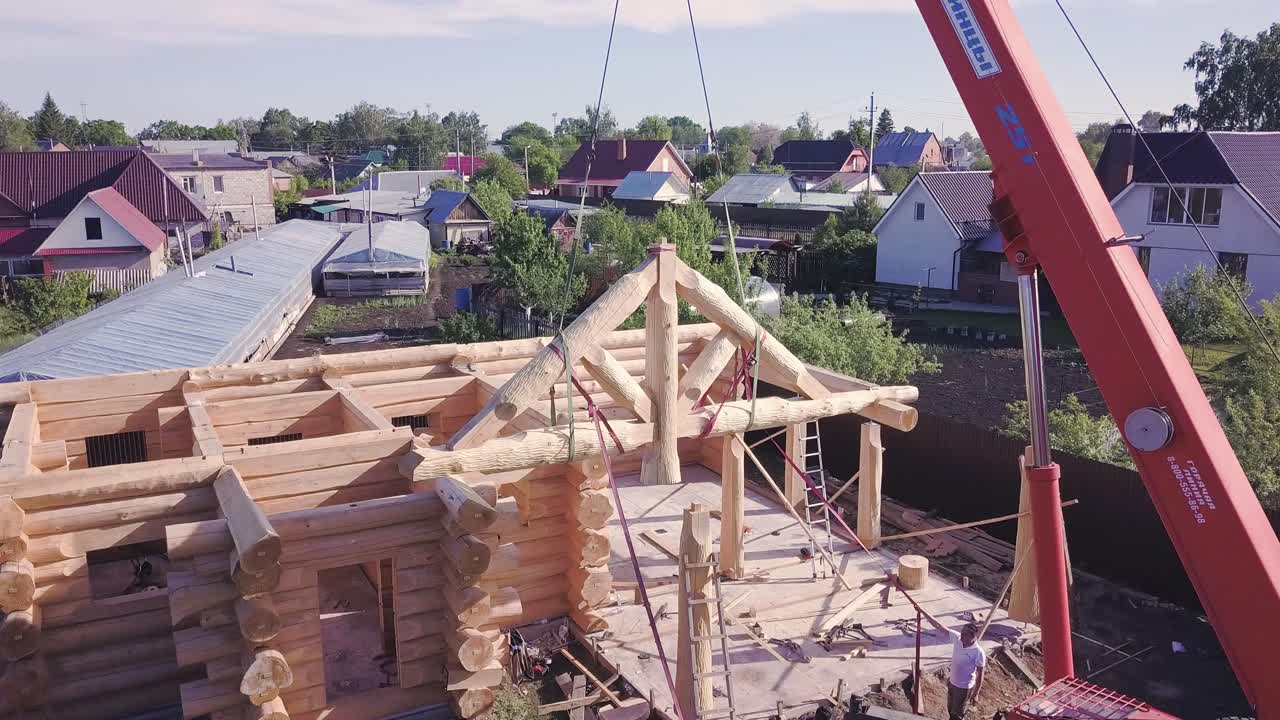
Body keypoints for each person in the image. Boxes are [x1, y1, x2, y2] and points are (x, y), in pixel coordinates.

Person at [945, 622, 986, 720]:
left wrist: (976, 694)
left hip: (963, 689)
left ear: (973, 637)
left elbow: (980, 674)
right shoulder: (958, 639)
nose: (961, 635)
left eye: (965, 634)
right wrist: (922, 611)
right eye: (962, 632)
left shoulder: (978, 652)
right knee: (950, 709)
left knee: (957, 715)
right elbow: (940, 627)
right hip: (952, 683)